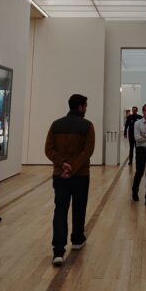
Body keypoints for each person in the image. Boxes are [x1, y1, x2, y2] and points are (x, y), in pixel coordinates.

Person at [45, 93, 95, 266]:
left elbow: (49, 149)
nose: (86, 109)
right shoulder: (87, 125)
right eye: (85, 106)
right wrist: (72, 168)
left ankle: (58, 251)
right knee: (79, 208)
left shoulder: (55, 124)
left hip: (60, 176)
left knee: (60, 211)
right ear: (80, 107)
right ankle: (77, 240)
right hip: (80, 176)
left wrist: (63, 164)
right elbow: (88, 151)